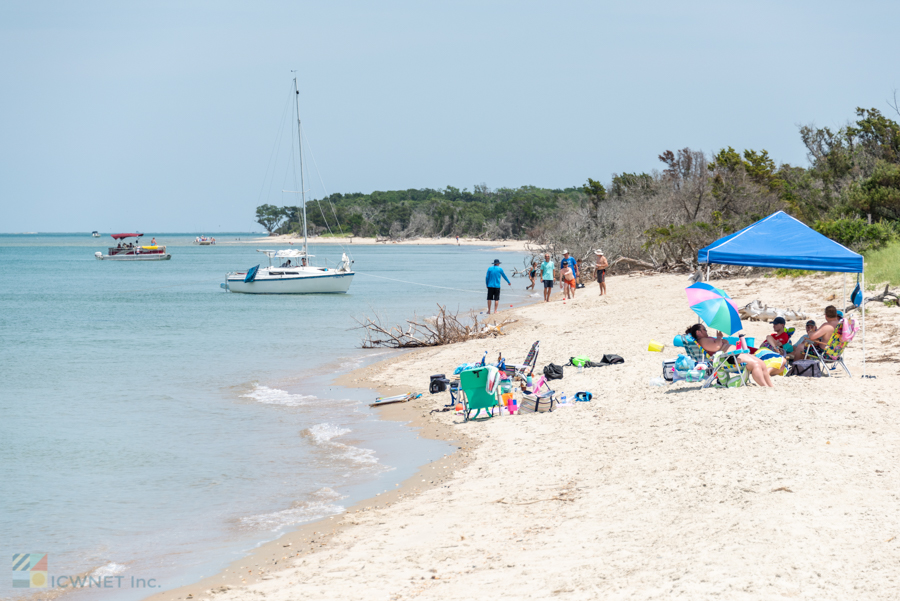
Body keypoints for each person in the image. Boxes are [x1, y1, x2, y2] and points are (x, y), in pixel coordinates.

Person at [686, 323, 774, 387]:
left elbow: (724, 342)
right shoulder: (703, 340)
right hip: (728, 358)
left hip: (734, 354)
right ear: (698, 332)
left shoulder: (707, 339)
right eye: (704, 329)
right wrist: (719, 338)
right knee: (755, 364)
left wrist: (719, 339)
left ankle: (770, 386)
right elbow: (716, 346)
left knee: (761, 363)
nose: (706, 331)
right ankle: (764, 386)